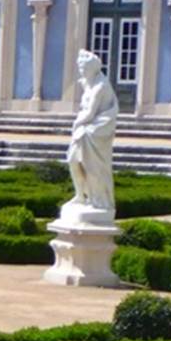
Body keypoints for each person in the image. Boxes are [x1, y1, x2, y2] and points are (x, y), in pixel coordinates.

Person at [64, 49, 117, 219]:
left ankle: (98, 199)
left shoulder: (100, 86)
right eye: (80, 67)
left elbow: (90, 113)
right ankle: (80, 195)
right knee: (73, 160)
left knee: (92, 166)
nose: (81, 71)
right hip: (85, 130)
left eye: (84, 68)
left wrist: (76, 124)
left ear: (93, 68)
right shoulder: (87, 82)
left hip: (95, 132)